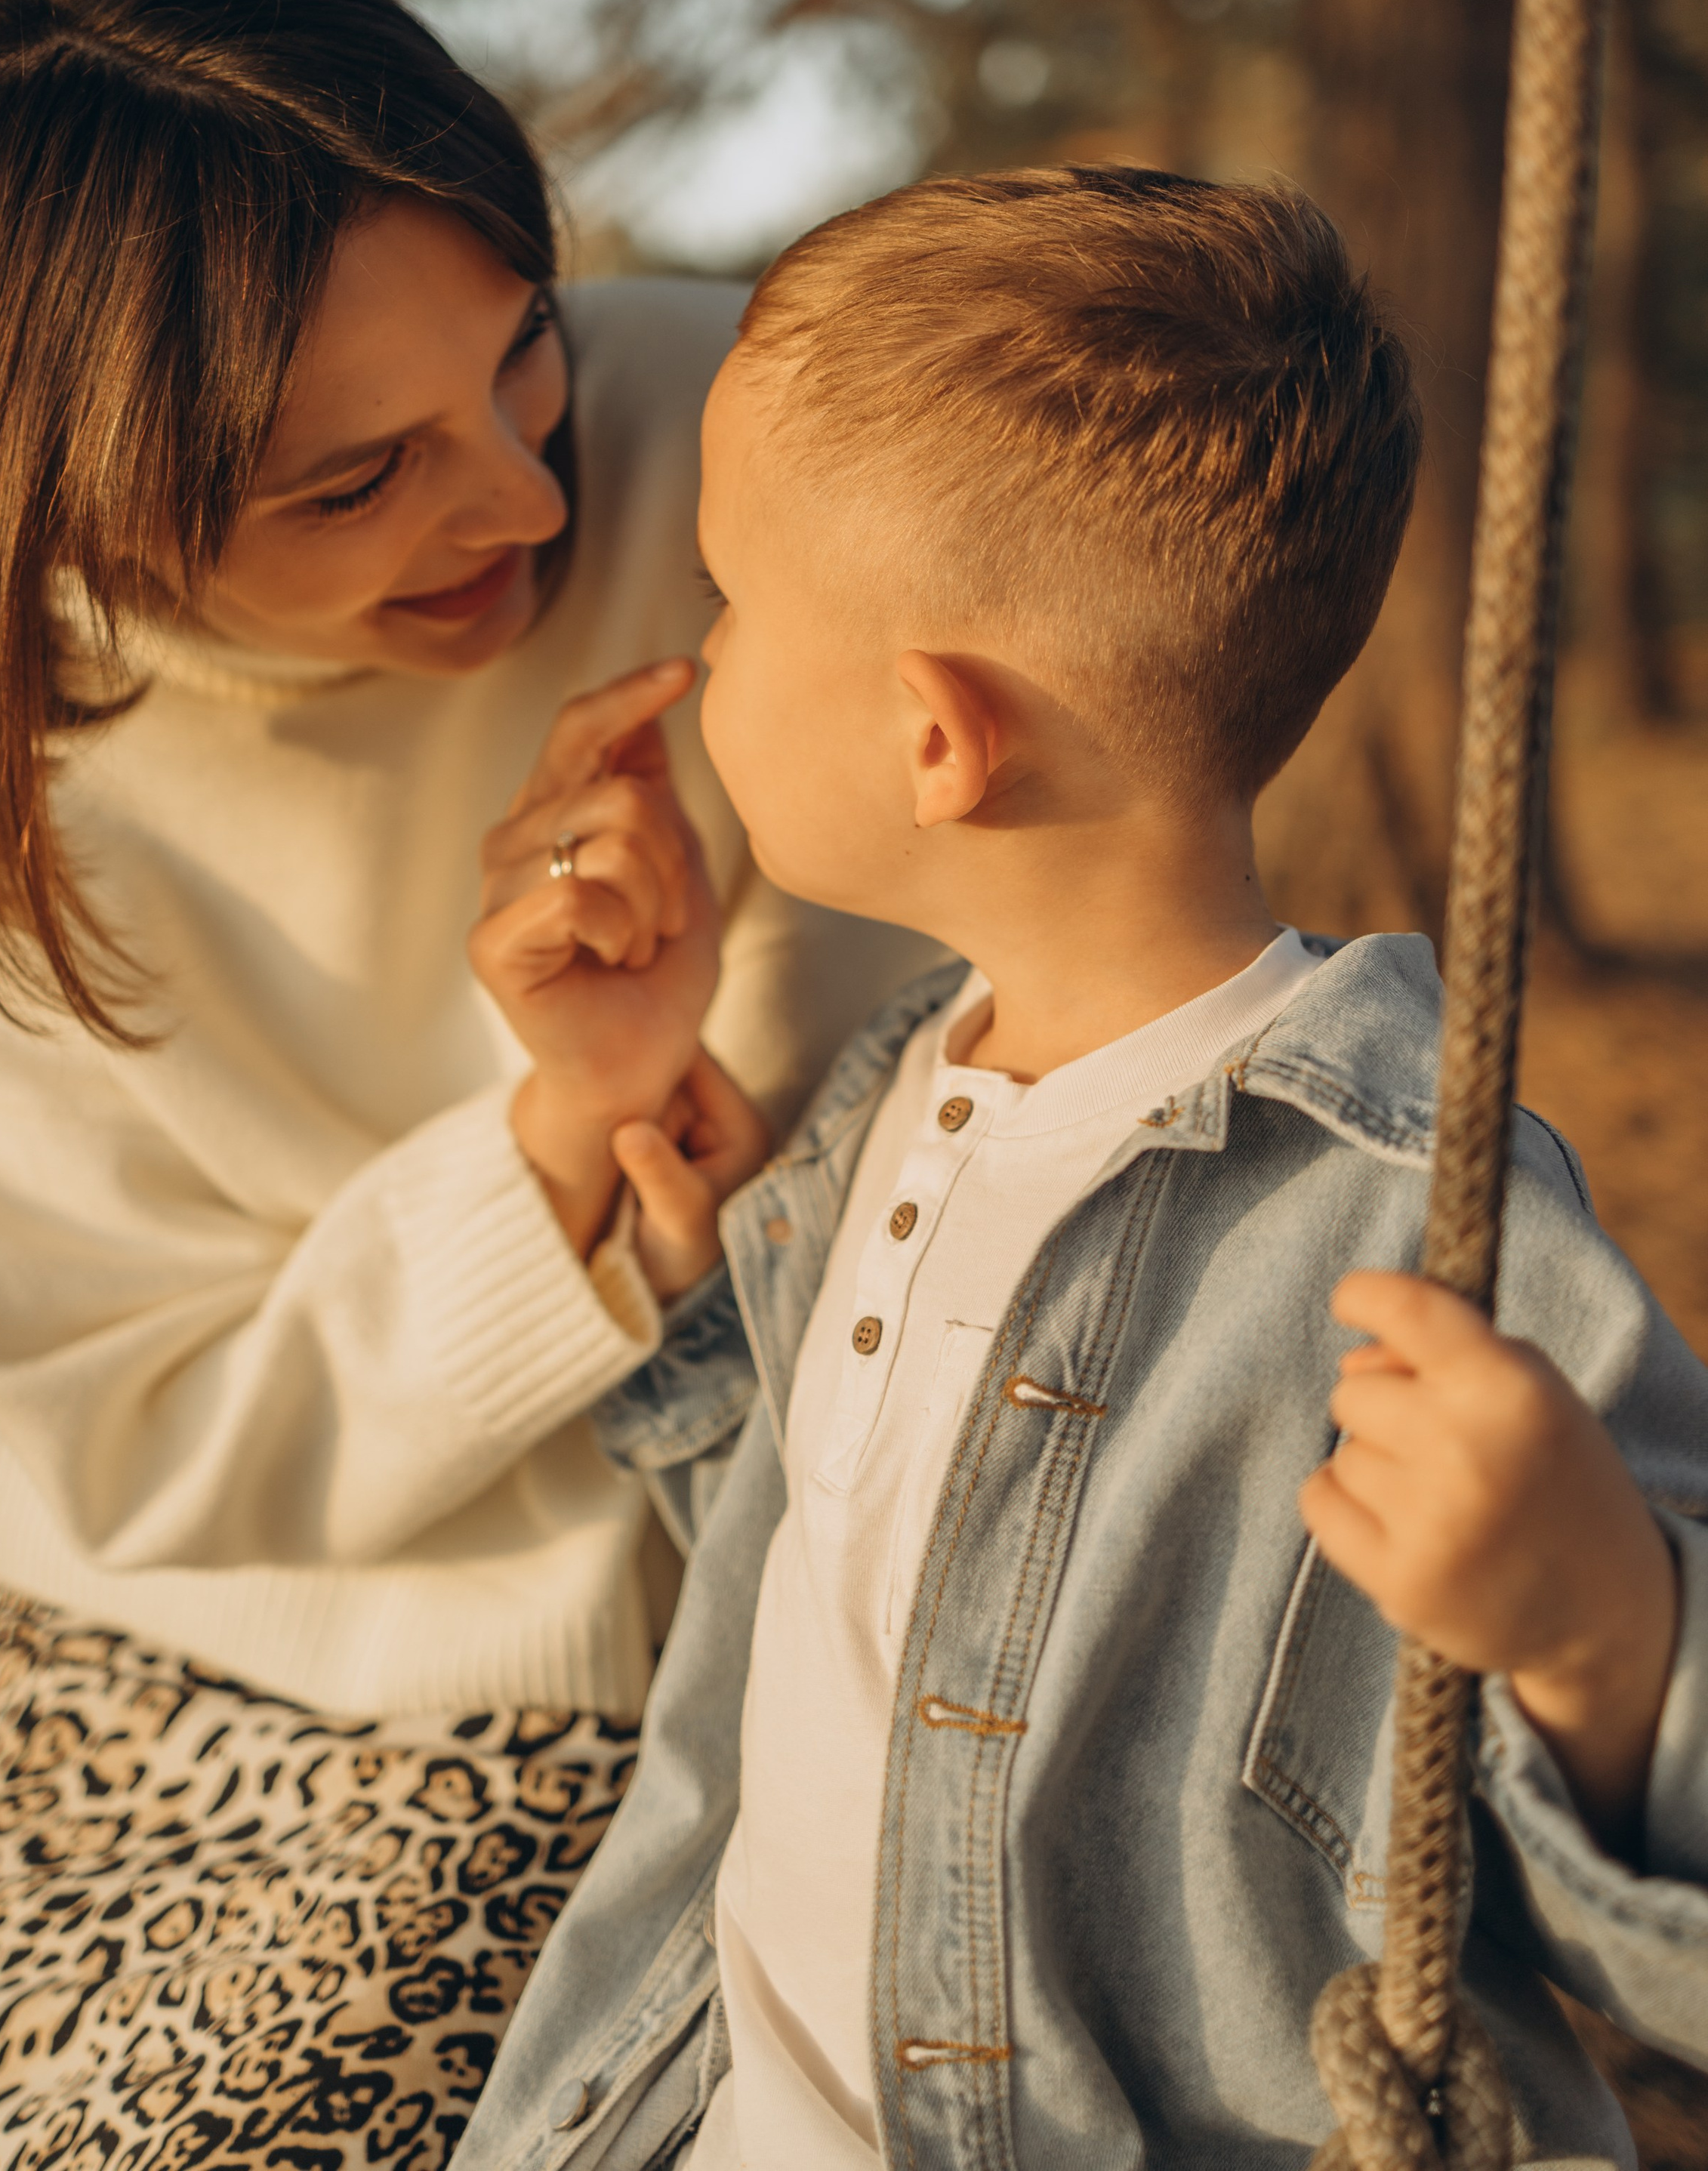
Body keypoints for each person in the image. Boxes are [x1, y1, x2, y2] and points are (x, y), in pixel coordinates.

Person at [0, 0, 924, 2169]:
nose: (521, 489)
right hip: (131, 1684)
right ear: (53, 510)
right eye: (350, 478)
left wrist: (648, 1129)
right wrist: (556, 1143)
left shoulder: (755, 439)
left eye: (517, 345)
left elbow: (939, 1235)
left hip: (675, 1672)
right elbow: (125, 1430)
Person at [460, 166, 1708, 2171]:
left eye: (732, 599)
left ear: (936, 740)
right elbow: (883, 1600)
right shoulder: (886, 1097)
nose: (698, 656)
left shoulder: (1404, 1216)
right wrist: (719, 1341)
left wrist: (1606, 1641)